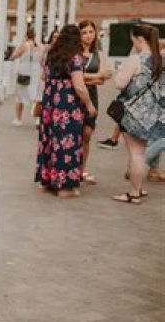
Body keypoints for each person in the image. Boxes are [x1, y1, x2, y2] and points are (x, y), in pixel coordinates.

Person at [35, 25, 97, 198]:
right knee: (66, 143)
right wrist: (89, 105)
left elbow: (44, 77)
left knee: (50, 141)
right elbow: (79, 86)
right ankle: (64, 187)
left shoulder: (51, 56)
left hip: (50, 105)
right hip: (66, 106)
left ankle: (48, 181)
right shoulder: (75, 58)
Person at [112, 23, 164, 204]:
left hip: (133, 113)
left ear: (139, 39)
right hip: (153, 113)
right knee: (140, 153)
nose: (132, 42)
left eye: (133, 39)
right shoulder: (161, 59)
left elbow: (119, 83)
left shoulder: (135, 60)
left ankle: (134, 193)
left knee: (136, 154)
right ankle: (139, 188)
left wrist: (120, 70)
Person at [78, 20, 113, 184]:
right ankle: (71, 169)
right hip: (75, 96)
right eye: (84, 32)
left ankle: (82, 169)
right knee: (73, 134)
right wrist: (95, 76)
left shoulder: (99, 54)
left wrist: (85, 78)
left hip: (92, 96)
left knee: (87, 134)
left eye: (91, 32)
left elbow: (103, 79)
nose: (88, 36)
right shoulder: (75, 53)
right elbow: (74, 77)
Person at [9, 28, 43, 126]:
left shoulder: (25, 45)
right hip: (36, 72)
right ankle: (37, 118)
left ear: (26, 35)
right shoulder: (40, 46)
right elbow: (42, 60)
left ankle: (18, 119)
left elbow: (13, 56)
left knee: (19, 97)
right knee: (36, 96)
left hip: (24, 72)